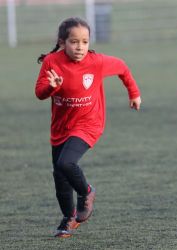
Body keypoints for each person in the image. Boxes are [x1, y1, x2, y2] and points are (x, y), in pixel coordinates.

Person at [35, 17, 141, 238]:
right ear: (62, 42)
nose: (80, 47)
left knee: (66, 163)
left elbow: (122, 68)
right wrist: (51, 88)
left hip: (89, 123)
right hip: (61, 127)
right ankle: (69, 218)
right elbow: (39, 93)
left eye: (84, 41)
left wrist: (134, 94)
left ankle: (87, 192)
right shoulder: (51, 62)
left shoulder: (97, 61)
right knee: (59, 175)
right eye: (74, 42)